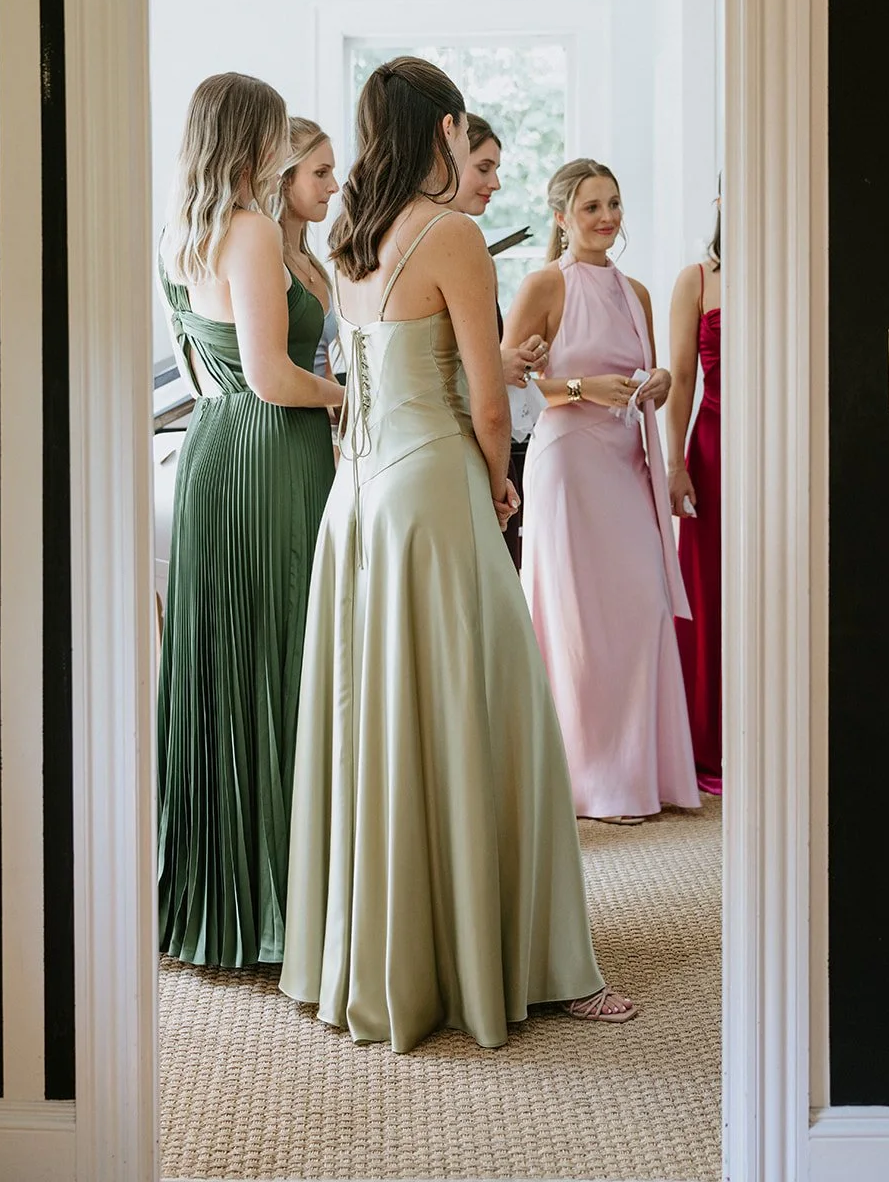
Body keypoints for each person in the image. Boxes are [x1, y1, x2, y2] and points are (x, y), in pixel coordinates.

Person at [280, 58, 636, 1050]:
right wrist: (496, 480)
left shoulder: (348, 235)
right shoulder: (453, 236)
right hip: (432, 489)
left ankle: (386, 952)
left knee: (383, 719)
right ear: (444, 128)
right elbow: (488, 400)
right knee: (496, 708)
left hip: (355, 500)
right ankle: (523, 958)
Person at [157, 72, 343, 968]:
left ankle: (221, 889)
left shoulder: (180, 236)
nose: (281, 148)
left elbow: (225, 368)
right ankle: (278, 896)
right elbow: (273, 376)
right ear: (250, 141)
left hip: (213, 448)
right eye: (274, 133)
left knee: (227, 660)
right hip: (272, 447)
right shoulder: (253, 230)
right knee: (277, 651)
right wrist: (346, 396)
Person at [503, 159, 700, 825]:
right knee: (577, 625)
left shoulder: (635, 292)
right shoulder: (542, 286)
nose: (606, 217)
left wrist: (659, 383)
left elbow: (652, 372)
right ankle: (585, 781)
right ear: (561, 216)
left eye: (612, 203)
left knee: (642, 607)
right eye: (590, 206)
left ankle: (641, 773)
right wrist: (585, 388)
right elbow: (509, 381)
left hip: (626, 466)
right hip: (568, 467)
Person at [452, 112, 548, 566]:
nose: (496, 183)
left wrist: (508, 358)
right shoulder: (456, 243)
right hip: (468, 447)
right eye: (484, 168)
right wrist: (497, 363)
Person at [667, 193, 723, 796]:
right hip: (712, 447)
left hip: (780, 447)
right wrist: (676, 462)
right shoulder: (696, 278)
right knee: (708, 588)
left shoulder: (791, 267)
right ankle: (706, 742)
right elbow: (681, 377)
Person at [276, 116, 341, 382]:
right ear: (285, 178)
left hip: (320, 421)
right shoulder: (268, 266)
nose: (334, 186)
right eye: (321, 172)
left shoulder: (314, 267)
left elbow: (323, 369)